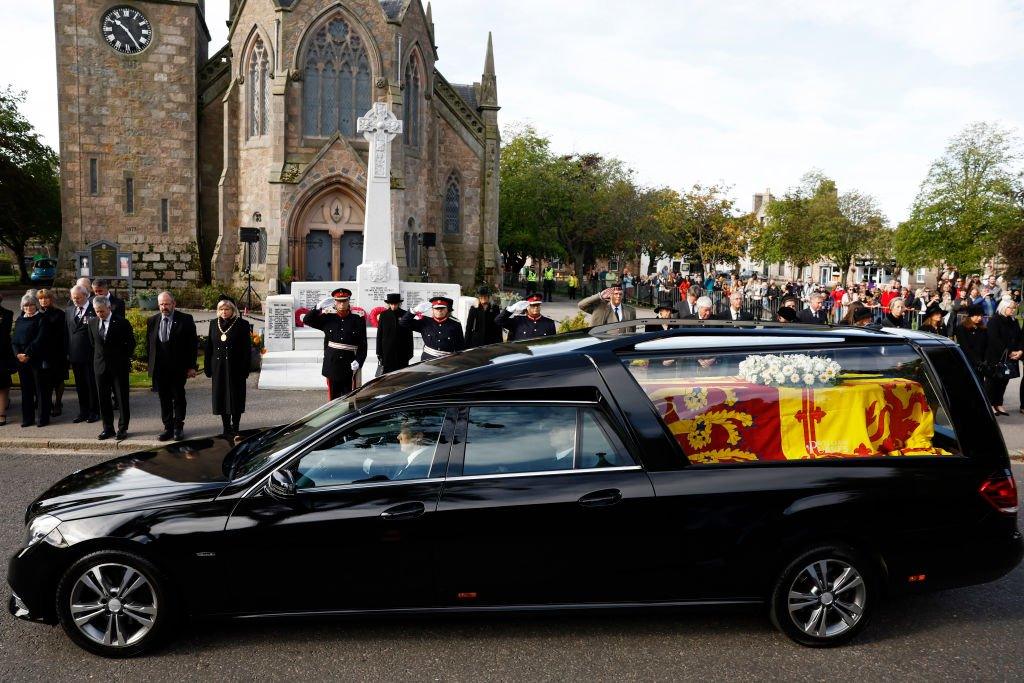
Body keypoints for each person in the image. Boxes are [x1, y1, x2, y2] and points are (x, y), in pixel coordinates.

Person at [146, 292, 198, 441]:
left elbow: (192, 345)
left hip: (178, 368)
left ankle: (178, 427)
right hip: (160, 369)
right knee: (164, 398)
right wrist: (150, 366)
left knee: (178, 397)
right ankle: (168, 427)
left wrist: (191, 366)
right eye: (161, 304)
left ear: (173, 304)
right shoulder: (153, 320)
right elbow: (150, 346)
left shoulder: (185, 319)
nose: (164, 307)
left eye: (167, 304)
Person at [303, 288, 368, 400]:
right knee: (333, 399)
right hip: (332, 364)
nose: (342, 304)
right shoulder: (327, 317)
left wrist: (359, 360)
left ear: (349, 301)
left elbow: (362, 344)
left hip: (350, 365)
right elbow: (307, 320)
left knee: (350, 399)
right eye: (339, 301)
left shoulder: (358, 319)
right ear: (335, 302)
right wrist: (317, 307)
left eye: (344, 301)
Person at [87, 295, 135, 440]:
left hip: (118, 367)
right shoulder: (92, 323)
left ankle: (122, 428)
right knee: (103, 399)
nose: (99, 314)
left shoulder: (122, 322)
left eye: (102, 311)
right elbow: (93, 344)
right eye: (97, 311)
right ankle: (108, 428)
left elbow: (131, 344)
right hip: (100, 367)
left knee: (121, 398)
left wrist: (121, 359)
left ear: (109, 307)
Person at [204, 297, 252, 436]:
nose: (224, 312)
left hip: (236, 368)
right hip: (219, 368)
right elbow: (209, 348)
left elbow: (246, 350)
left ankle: (235, 426)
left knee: (235, 397)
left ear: (233, 310)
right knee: (222, 397)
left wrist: (245, 369)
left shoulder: (242, 324)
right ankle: (226, 427)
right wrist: (208, 367)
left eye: (227, 309)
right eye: (221, 309)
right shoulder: (214, 324)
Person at [12, 294, 49, 428]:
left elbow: (39, 339)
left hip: (36, 359)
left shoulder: (42, 319)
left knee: (40, 390)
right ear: (22, 307)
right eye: (26, 305)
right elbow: (14, 340)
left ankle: (42, 418)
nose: (29, 308)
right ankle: (28, 418)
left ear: (36, 305)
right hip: (21, 361)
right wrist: (18, 355)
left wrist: (27, 354)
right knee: (26, 391)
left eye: (31, 305)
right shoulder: (20, 320)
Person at [65, 285, 99, 424]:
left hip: (90, 355)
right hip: (75, 355)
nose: (75, 300)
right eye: (73, 298)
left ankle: (94, 412)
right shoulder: (69, 310)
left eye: (78, 298)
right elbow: (66, 333)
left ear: (86, 296)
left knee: (91, 385)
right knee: (80, 386)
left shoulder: (94, 310)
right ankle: (83, 411)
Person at [985, 298, 1022, 416]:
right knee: (993, 381)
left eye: (1014, 308)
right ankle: (990, 404)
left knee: (1004, 380)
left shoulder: (1014, 321)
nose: (1013, 310)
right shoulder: (994, 321)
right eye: (1010, 307)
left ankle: (999, 403)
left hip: (1011, 356)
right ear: (1003, 307)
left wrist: (1020, 351)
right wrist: (1009, 352)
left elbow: (1019, 337)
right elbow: (994, 339)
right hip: (996, 356)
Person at [401, 297, 466, 361]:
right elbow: (403, 323)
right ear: (432, 310)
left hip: (447, 361)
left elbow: (460, 345)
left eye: (442, 308)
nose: (439, 310)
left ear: (447, 309)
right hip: (428, 359)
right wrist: (414, 311)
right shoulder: (425, 321)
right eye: (436, 308)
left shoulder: (455, 324)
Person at [36, 289, 68, 418]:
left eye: (46, 298)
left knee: (58, 379)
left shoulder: (59, 314)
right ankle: (47, 403)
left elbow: (63, 334)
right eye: (41, 298)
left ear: (51, 299)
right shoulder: (37, 313)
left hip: (57, 351)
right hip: (41, 352)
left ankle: (58, 403)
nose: (44, 300)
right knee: (45, 380)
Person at [375, 293, 414, 374]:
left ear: (399, 303)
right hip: (387, 351)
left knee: (401, 375)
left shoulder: (405, 314)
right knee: (387, 375)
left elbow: (409, 335)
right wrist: (378, 352)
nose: (393, 306)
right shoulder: (383, 315)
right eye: (391, 304)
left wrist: (410, 352)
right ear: (389, 304)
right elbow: (379, 334)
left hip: (402, 351)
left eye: (395, 304)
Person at [955, 304, 987, 378]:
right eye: (977, 316)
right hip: (969, 362)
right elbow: (965, 346)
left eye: (981, 316)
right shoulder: (962, 328)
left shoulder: (983, 328)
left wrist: (985, 360)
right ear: (971, 316)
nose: (980, 318)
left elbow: (986, 344)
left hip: (981, 363)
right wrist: (976, 361)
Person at [0, 293, 13, 425]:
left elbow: (4, 334)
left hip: (2, 354)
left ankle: (2, 413)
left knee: (3, 385)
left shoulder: (7, 314)